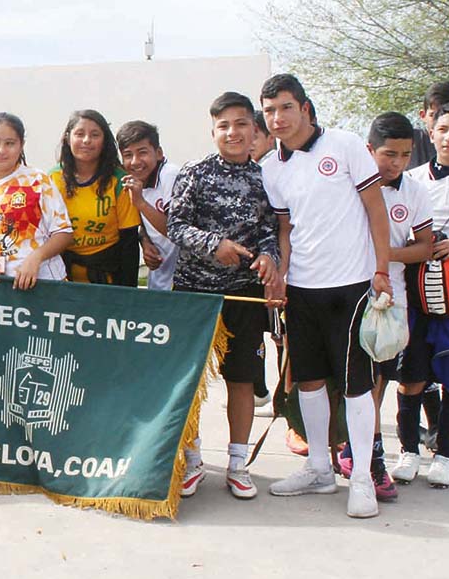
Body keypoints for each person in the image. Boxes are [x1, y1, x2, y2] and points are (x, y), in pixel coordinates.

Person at [260, 74, 392, 519]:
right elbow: (285, 228)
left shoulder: (345, 144)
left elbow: (376, 210)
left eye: (285, 107)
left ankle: (362, 479)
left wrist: (380, 270)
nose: (278, 118)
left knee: (356, 385)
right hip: (302, 288)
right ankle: (319, 468)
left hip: (352, 286)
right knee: (310, 381)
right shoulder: (271, 167)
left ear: (305, 108)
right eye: (270, 110)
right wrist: (280, 277)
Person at [166, 92, 281, 500]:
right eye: (224, 126)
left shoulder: (265, 178)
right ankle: (193, 459)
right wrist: (214, 244)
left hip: (243, 295)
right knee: (189, 381)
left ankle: (238, 464)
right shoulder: (194, 172)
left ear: (254, 129)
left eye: (241, 124)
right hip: (194, 293)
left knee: (242, 378)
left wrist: (269, 257)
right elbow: (176, 225)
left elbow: (271, 230)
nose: (233, 132)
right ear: (213, 130)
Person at [329, 112, 430, 500]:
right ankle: (362, 456)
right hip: (347, 293)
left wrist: (385, 255)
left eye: (405, 155)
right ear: (369, 149)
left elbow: (425, 246)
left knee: (379, 380)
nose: (397, 163)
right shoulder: (348, 186)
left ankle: (362, 454)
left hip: (390, 302)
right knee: (354, 380)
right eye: (389, 154)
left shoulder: (415, 191)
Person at [401, 100, 449, 488]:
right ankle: (408, 450)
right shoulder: (411, 180)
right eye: (443, 129)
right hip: (417, 293)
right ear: (431, 133)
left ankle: (444, 453)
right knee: (411, 375)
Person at [0, 112, 72, 290]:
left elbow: (64, 232)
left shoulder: (38, 181)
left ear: (21, 145)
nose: (1, 150)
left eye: (10, 143)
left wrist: (36, 258)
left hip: (43, 283)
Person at [50, 109, 141, 286]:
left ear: (104, 141)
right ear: (68, 139)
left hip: (109, 278)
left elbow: (129, 242)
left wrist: (128, 293)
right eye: (80, 134)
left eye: (95, 135)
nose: (86, 140)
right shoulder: (53, 179)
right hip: (62, 277)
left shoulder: (120, 181)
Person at [116, 121, 180, 291]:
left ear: (158, 153)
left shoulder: (170, 175)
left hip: (183, 280)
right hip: (159, 278)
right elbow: (142, 225)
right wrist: (145, 241)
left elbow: (177, 231)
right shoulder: (132, 181)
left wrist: (141, 203)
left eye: (142, 152)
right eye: (128, 155)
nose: (135, 161)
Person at [409, 82, 449, 170]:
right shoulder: (406, 141)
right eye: (433, 115)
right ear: (423, 115)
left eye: (446, 116)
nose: (439, 122)